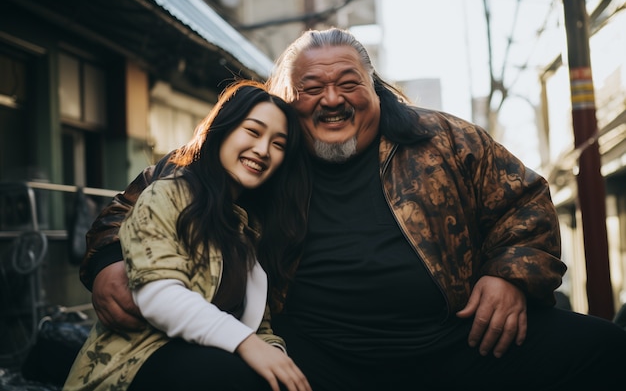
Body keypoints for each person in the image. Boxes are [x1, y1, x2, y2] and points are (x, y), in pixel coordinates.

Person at [80, 28, 626, 390]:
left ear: (375, 90)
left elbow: (524, 203)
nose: (332, 98)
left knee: (605, 349)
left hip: (458, 344)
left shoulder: (445, 139)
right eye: (311, 87)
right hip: (315, 359)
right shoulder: (255, 155)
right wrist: (107, 259)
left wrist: (510, 275)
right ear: (285, 101)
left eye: (348, 83)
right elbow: (143, 200)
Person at [63, 80, 312, 391]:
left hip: (201, 368)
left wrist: (276, 358)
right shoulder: (169, 194)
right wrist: (247, 344)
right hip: (132, 365)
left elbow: (259, 325)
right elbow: (158, 294)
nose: (263, 150)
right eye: (252, 131)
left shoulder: (250, 229)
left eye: (278, 144)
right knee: (232, 375)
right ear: (223, 129)